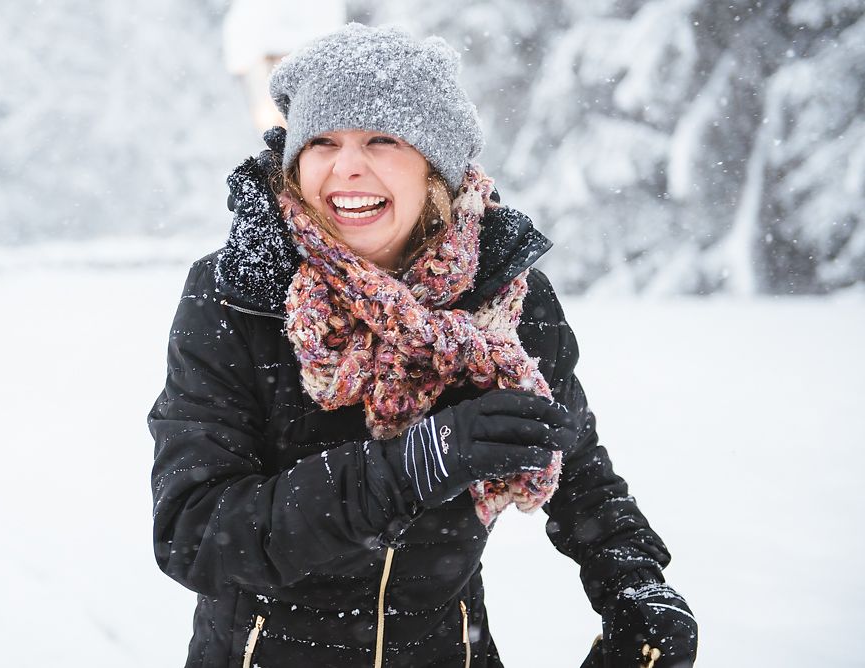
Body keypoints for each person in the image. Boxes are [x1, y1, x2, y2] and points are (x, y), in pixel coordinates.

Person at [149, 23, 698, 668]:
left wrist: (634, 582)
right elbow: (199, 534)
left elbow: (571, 456)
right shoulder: (238, 295)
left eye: (381, 139)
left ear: (435, 165)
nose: (347, 166)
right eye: (322, 141)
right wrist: (412, 466)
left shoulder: (504, 295)